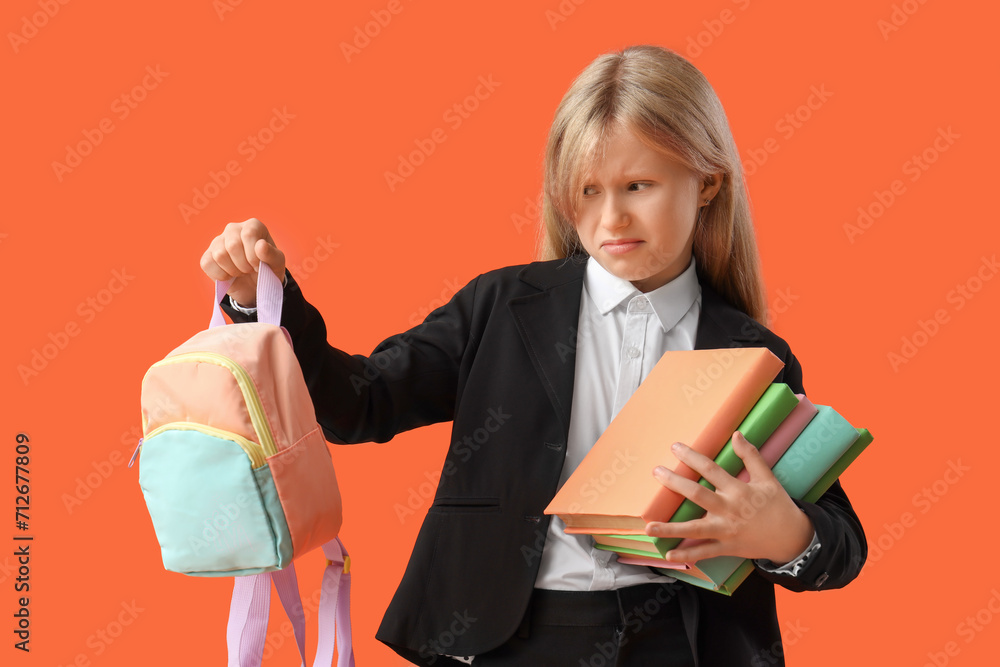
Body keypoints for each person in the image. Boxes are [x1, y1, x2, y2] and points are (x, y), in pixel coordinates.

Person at [201, 44, 866, 666]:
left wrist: (786, 536)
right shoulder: (501, 307)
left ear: (708, 184)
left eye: (639, 185)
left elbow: (841, 541)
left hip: (684, 642)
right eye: (588, 191)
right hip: (508, 638)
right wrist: (263, 300)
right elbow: (360, 402)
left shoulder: (751, 352)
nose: (612, 219)